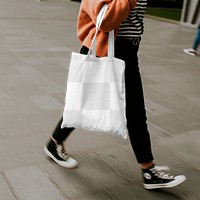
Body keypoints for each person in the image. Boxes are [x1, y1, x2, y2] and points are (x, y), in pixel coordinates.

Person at [44, 0, 186, 189]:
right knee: (89, 105)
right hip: (104, 50)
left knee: (132, 111)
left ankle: (148, 170)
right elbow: (105, 21)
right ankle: (148, 171)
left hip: (128, 51)